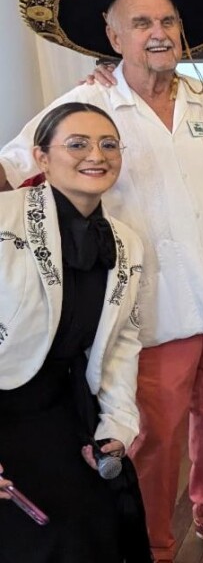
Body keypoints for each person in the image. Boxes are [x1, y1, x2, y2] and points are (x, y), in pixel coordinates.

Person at [2, 0, 203, 563]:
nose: (159, 32)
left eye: (167, 20)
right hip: (146, 315)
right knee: (152, 442)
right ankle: (155, 543)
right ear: (113, 37)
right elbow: (14, 167)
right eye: (140, 22)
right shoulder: (85, 103)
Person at [0, 103, 149, 563]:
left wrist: (118, 426)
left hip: (62, 404)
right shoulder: (4, 216)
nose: (96, 155)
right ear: (41, 157)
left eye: (108, 144)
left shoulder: (125, 241)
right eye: (77, 144)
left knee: (103, 518)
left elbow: (123, 341)